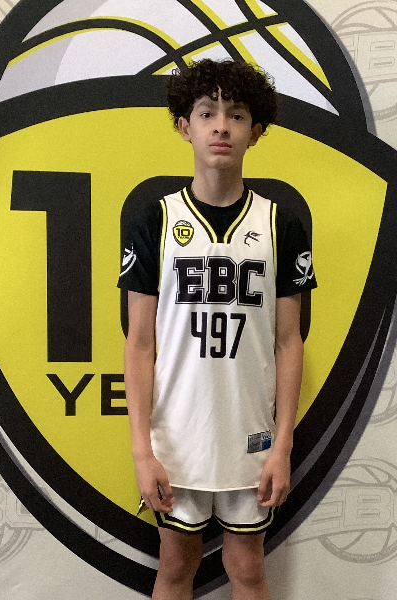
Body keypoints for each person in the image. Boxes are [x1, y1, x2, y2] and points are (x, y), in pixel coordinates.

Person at [118, 59, 317, 600]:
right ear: (185, 126)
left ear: (257, 130)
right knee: (175, 566)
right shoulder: (155, 220)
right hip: (176, 437)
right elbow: (140, 343)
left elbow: (288, 341)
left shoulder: (281, 224)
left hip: (251, 435)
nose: (222, 126)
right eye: (207, 113)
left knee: (247, 567)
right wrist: (142, 450)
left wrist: (282, 446)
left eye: (237, 114)